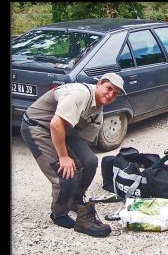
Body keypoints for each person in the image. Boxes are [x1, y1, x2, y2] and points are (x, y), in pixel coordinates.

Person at [20, 72, 126, 237]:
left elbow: (83, 141)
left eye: (115, 93)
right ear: (99, 84)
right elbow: (55, 125)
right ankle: (59, 213)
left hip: (65, 132)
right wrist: (63, 157)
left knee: (89, 162)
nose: (111, 94)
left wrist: (77, 160)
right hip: (37, 127)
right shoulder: (79, 94)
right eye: (109, 88)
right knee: (65, 176)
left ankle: (75, 200)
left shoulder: (98, 111)